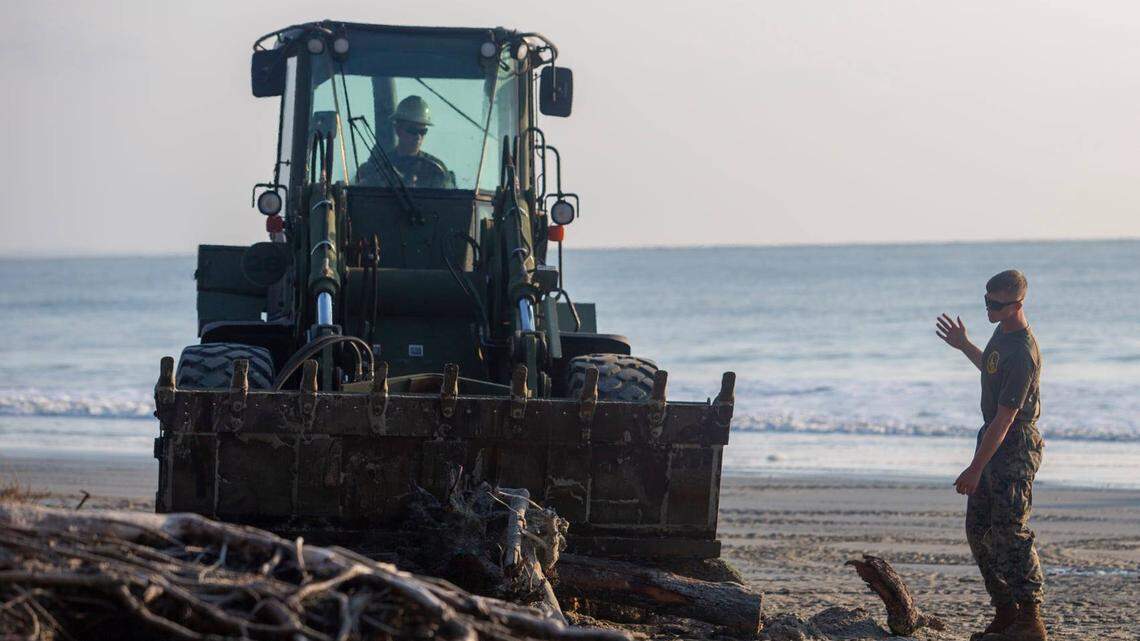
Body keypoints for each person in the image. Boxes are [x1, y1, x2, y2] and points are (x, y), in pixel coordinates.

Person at [936, 270, 1046, 641]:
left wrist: (975, 467)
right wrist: (965, 345)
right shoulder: (1002, 334)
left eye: (995, 304)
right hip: (994, 440)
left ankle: (1031, 620)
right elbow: (991, 368)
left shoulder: (1023, 352)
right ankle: (1006, 612)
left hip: (1013, 447)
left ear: (1017, 304)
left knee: (1011, 533)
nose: (988, 307)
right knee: (979, 531)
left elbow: (1005, 417)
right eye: (986, 300)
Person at [356, 95, 454, 189]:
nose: (418, 137)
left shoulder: (436, 170)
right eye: (412, 130)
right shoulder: (380, 167)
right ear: (398, 129)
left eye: (422, 131)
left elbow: (449, 202)